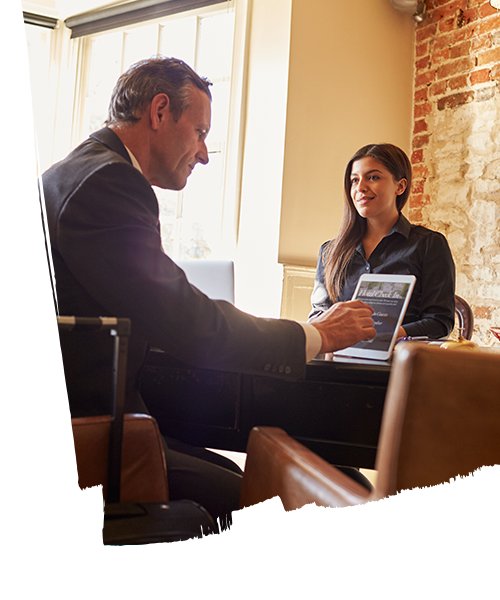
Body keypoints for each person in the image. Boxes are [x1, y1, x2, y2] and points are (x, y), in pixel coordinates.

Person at [42, 57, 375, 529]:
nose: (202, 154)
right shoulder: (110, 182)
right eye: (200, 132)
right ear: (160, 112)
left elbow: (151, 301)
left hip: (90, 414)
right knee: (266, 503)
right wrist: (313, 335)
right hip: (92, 433)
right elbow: (189, 323)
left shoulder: (68, 173)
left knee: (236, 472)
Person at [309, 143, 455, 340]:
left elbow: (439, 321)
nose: (360, 187)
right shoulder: (329, 251)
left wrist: (387, 336)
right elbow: (319, 315)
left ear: (400, 186)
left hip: (400, 363)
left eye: (373, 177)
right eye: (354, 180)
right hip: (338, 360)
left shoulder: (429, 245)